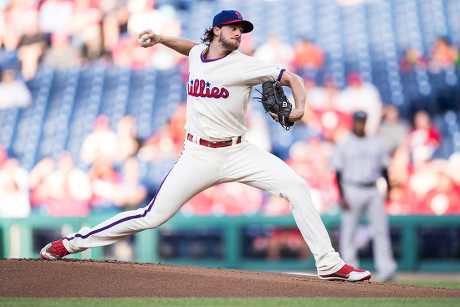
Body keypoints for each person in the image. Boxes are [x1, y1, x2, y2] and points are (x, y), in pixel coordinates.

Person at [40, 10, 371, 282]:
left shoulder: (245, 63)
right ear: (216, 31)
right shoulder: (200, 53)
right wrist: (159, 39)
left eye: (242, 30)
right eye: (233, 28)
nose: (239, 33)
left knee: (296, 186)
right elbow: (191, 48)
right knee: (151, 216)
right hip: (198, 154)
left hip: (239, 152)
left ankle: (327, 262)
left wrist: (299, 108)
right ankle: (70, 244)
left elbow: (293, 79)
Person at [331, 111, 396, 281]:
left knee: (381, 230)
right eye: (358, 121)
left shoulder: (376, 142)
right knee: (349, 232)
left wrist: (388, 188)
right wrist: (342, 195)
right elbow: (337, 172)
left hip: (373, 188)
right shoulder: (344, 143)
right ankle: (349, 268)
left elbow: (384, 169)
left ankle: (386, 269)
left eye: (362, 121)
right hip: (352, 188)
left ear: (365, 122)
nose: (360, 124)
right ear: (353, 121)